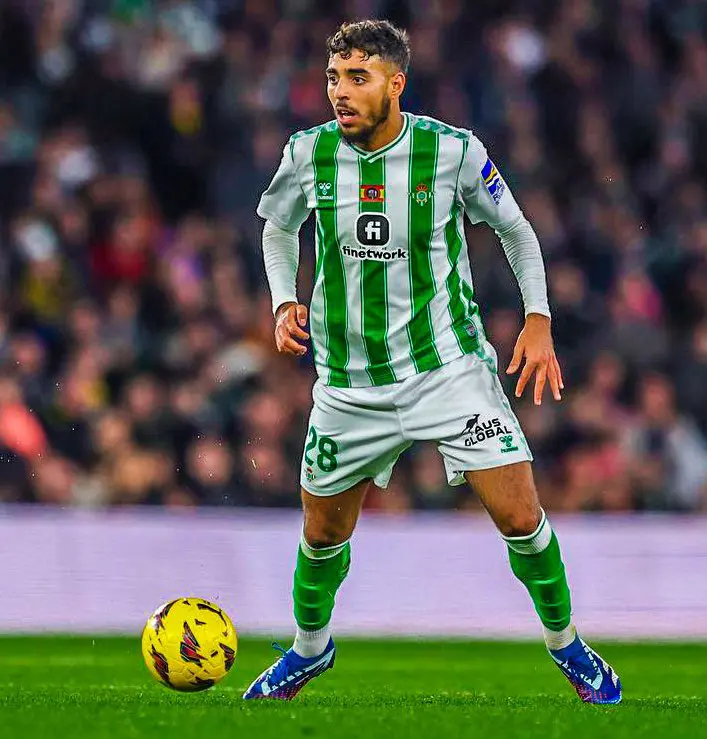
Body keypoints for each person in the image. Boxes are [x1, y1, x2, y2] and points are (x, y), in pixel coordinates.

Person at [243, 20, 621, 705]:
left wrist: (538, 318)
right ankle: (309, 649)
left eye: (357, 78)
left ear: (396, 83)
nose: (340, 92)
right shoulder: (306, 153)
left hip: (448, 370)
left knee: (520, 517)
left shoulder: (452, 152)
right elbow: (278, 227)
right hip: (348, 384)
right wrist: (282, 300)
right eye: (333, 78)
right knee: (322, 533)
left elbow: (515, 229)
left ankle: (568, 644)